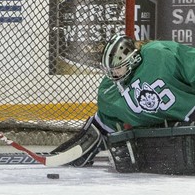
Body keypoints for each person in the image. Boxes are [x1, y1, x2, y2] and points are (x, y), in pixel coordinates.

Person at [51, 34, 195, 174]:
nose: (113, 74)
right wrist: (75, 150)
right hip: (172, 141)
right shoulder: (110, 90)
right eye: (110, 70)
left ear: (133, 59)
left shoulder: (160, 54)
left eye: (117, 68)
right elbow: (102, 126)